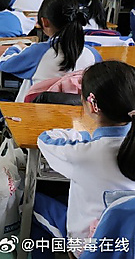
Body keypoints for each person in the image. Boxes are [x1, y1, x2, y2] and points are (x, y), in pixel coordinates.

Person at [32, 61, 135, 258]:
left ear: (92, 106)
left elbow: (45, 139)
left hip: (89, 247)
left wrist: (85, 136)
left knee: (30, 200)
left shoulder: (83, 153)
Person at [0, 0, 101, 102]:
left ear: (45, 22)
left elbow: (4, 63)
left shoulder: (38, 52)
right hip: (77, 111)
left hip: (35, 111)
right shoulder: (93, 55)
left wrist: (17, 47)